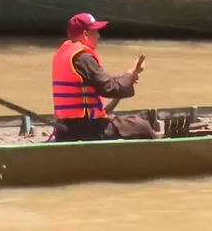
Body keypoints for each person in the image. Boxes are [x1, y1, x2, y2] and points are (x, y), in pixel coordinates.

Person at [51, 13, 158, 142]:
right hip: (86, 128)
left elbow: (101, 81)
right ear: (85, 34)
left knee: (141, 118)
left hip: (65, 128)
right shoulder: (83, 57)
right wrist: (129, 76)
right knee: (142, 126)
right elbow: (109, 88)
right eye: (95, 32)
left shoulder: (65, 53)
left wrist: (127, 77)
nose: (98, 36)